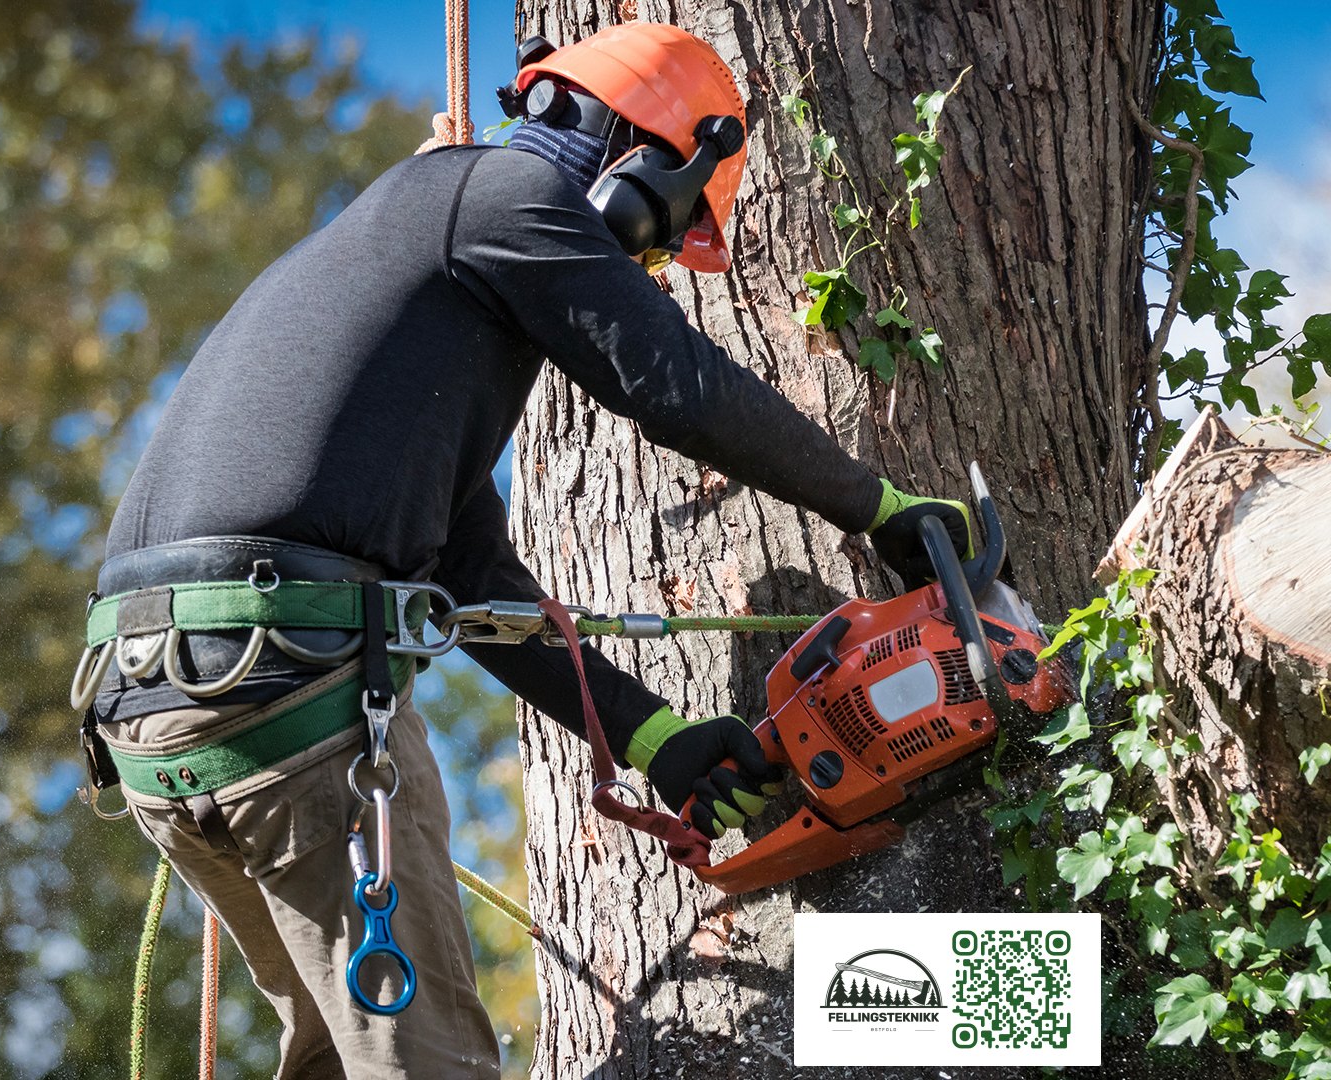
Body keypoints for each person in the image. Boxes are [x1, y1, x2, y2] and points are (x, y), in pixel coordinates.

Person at [75, 23, 968, 1077]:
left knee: (336, 1060)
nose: (643, 268)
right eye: (655, 240)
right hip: (286, 698)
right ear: (642, 167)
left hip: (157, 714)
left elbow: (469, 581)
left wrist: (656, 740)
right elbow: (676, 386)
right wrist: (879, 506)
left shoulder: (413, 274)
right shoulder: (501, 200)